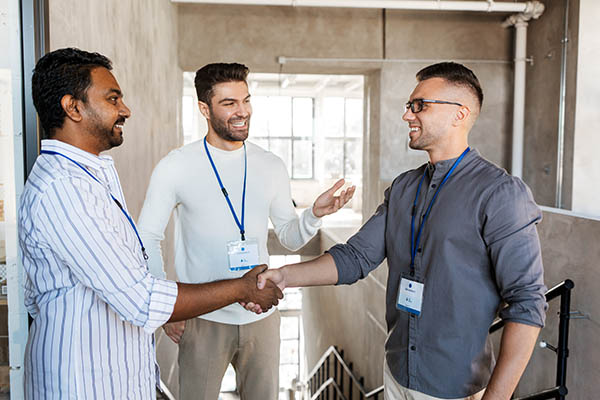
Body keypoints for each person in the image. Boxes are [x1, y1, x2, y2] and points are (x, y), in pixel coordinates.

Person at [253, 62, 547, 400]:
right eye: (409, 106)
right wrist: (285, 276)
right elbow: (355, 258)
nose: (408, 115)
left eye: (419, 105)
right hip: (395, 373)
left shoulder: (501, 193)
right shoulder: (404, 187)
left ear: (460, 114)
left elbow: (526, 302)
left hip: (454, 388)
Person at [19, 48, 282, 399]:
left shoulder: (88, 176)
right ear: (74, 107)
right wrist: (241, 288)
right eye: (113, 99)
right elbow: (140, 299)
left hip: (109, 378)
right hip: (83, 383)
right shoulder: (65, 189)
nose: (125, 110)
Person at [137, 62, 355, 400]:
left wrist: (314, 214)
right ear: (204, 109)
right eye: (229, 104)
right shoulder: (176, 166)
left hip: (261, 315)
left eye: (246, 100)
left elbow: (289, 236)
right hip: (201, 316)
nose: (243, 112)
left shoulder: (270, 165)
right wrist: (166, 307)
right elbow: (147, 236)